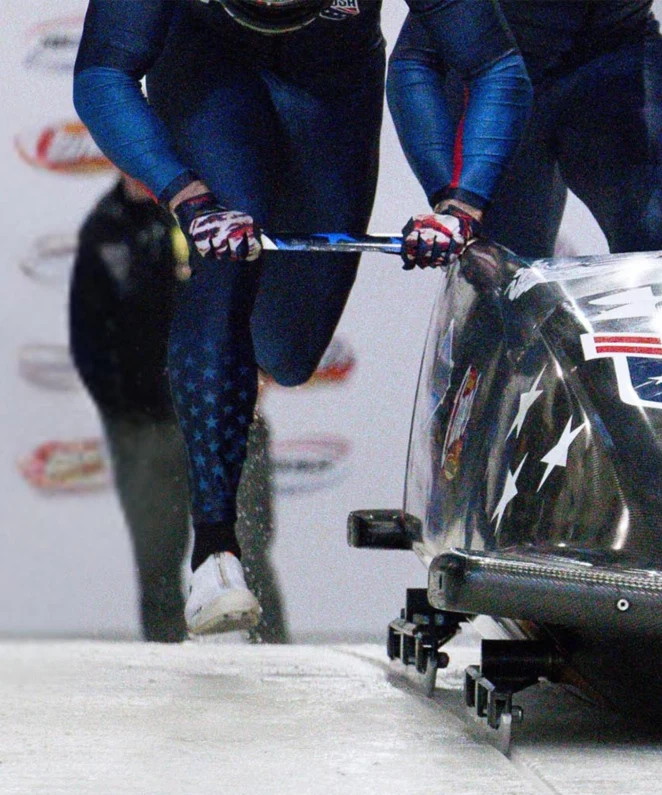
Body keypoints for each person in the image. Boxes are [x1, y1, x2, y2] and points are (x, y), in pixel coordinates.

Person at [73, 0, 531, 635]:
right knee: (226, 255)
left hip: (332, 81)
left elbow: (497, 65)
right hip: (208, 65)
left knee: (290, 353)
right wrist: (186, 196)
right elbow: (102, 72)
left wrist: (460, 203)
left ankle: (230, 432)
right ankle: (214, 550)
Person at [69, 174, 287, 643]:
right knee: (158, 554)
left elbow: (256, 294)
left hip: (221, 408)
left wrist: (257, 370)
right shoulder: (107, 227)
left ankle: (274, 656)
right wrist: (127, 414)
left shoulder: (223, 201)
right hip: (146, 422)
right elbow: (89, 335)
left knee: (247, 546)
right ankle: (167, 661)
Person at [389, 0, 662, 260]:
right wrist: (453, 201)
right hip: (495, 74)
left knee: (649, 237)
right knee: (500, 271)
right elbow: (416, 58)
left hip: (615, 64)